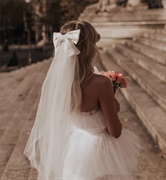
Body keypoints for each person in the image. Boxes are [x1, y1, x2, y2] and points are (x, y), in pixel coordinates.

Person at [24, 20, 141, 180]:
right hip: (101, 154)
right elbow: (115, 132)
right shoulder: (101, 83)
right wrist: (114, 107)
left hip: (76, 151)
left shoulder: (60, 84)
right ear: (90, 48)